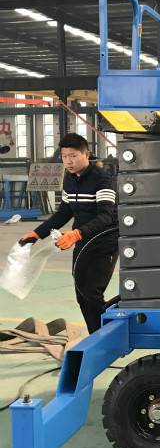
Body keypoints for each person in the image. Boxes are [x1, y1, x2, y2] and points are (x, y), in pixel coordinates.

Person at [19, 134, 119, 334]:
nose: (68, 161)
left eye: (73, 156)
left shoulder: (102, 180)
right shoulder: (70, 180)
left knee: (92, 293)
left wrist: (76, 234)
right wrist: (36, 234)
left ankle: (108, 336)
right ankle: (96, 336)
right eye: (64, 157)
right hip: (82, 242)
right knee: (81, 295)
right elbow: (63, 213)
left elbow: (106, 216)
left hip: (105, 242)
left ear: (86, 154)